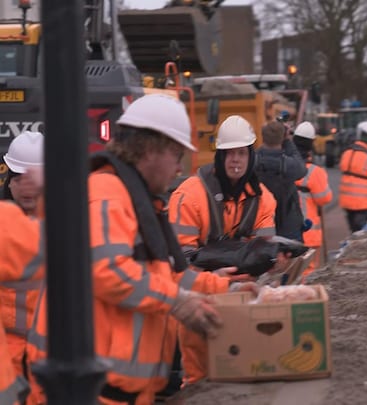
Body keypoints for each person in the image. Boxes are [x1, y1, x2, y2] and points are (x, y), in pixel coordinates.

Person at [26, 94, 224, 405]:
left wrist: (225, 287)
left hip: (114, 393)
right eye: (176, 154)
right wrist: (177, 302)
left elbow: (163, 275)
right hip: (87, 394)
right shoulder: (107, 195)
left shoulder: (133, 198)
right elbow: (109, 271)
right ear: (149, 149)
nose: (178, 168)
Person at [168, 114, 278, 385]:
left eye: (241, 153)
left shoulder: (263, 199)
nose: (235, 160)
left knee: (244, 370)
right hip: (199, 296)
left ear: (250, 156)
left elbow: (265, 251)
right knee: (199, 378)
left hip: (244, 294)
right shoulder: (189, 196)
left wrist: (276, 259)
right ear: (218, 156)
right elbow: (180, 261)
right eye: (229, 153)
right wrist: (217, 274)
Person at [0, 131, 44, 383]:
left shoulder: (66, 226)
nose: (26, 187)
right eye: (19, 178)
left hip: (48, 350)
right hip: (8, 353)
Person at [292, 122, 333, 279]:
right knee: (307, 272)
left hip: (286, 232)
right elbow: (325, 198)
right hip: (309, 233)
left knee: (289, 273)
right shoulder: (315, 172)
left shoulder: (284, 166)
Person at [255, 120, 307, 241]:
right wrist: (288, 140)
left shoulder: (252, 162)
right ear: (282, 138)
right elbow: (301, 168)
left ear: (263, 137)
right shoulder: (290, 165)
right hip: (289, 228)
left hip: (261, 227)